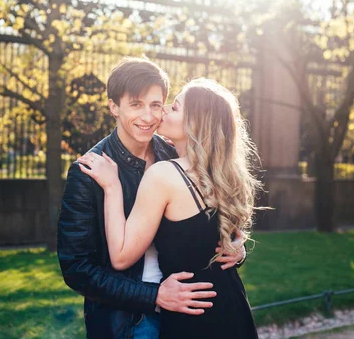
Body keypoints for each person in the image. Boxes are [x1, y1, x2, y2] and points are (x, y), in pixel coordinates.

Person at [57, 58, 247, 339]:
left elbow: (204, 228)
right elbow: (77, 269)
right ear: (114, 107)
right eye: (136, 104)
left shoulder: (175, 154)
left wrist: (236, 248)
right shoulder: (88, 172)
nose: (148, 117)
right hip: (131, 318)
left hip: (189, 310)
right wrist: (155, 295)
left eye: (156, 105)